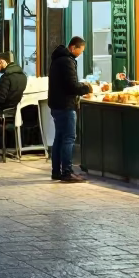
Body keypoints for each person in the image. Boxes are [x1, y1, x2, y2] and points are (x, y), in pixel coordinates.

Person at [47, 36, 93, 183]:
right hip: (65, 105)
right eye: (81, 50)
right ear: (74, 47)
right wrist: (86, 87)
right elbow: (71, 85)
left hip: (56, 105)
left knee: (59, 138)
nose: (81, 53)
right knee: (68, 138)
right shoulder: (67, 61)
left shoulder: (58, 59)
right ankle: (67, 171)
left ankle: (56, 171)